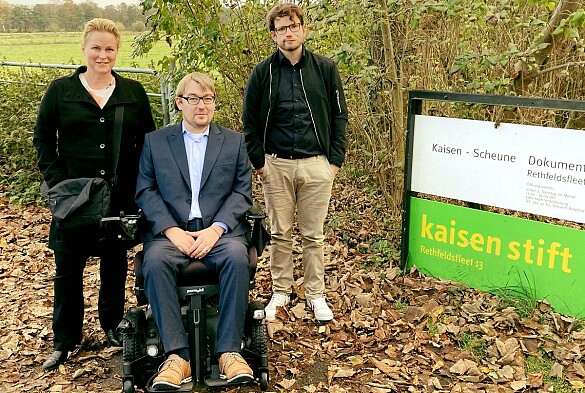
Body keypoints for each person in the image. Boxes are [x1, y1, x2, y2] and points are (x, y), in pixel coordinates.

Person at [33, 18, 156, 371]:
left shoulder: (132, 93)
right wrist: (58, 182)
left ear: (116, 52)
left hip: (119, 198)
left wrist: (140, 189)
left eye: (110, 49)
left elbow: (147, 143)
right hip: (73, 198)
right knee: (67, 269)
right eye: (97, 48)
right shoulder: (61, 91)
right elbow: (43, 139)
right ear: (84, 49)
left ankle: (112, 325)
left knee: (114, 265)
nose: (103, 55)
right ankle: (65, 339)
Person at [135, 72, 255, 390]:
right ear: (179, 103)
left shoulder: (233, 141)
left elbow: (243, 193)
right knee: (155, 262)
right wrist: (171, 230)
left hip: (220, 232)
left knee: (237, 257)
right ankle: (178, 357)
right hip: (171, 233)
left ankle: (229, 352)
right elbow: (145, 191)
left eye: (208, 98)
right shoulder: (156, 142)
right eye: (193, 98)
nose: (201, 105)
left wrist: (216, 230)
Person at [242, 3, 348, 322]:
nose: (288, 32)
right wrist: (260, 164)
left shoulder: (325, 69)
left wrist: (334, 162)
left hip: (317, 164)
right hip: (276, 165)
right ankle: (281, 291)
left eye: (293, 26)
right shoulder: (263, 73)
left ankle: (316, 295)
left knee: (313, 235)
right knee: (280, 233)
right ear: (274, 35)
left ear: (303, 29)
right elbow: (250, 122)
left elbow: (339, 116)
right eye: (281, 28)